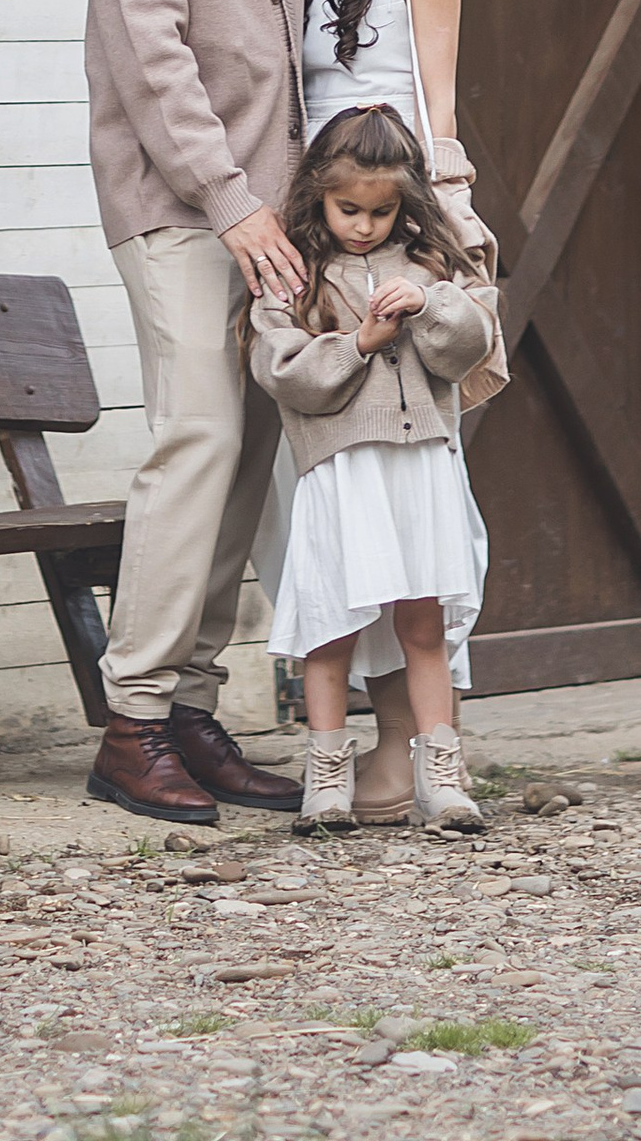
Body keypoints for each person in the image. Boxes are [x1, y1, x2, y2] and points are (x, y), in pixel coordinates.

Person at [68, 0, 312, 825]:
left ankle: (195, 709)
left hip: (273, 208)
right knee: (198, 438)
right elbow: (151, 54)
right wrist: (232, 200)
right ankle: (130, 720)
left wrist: (293, 203)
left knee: (253, 444)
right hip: (178, 202)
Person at [289, 0, 483, 819]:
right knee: (328, 482)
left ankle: (410, 745)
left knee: (409, 480)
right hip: (313, 232)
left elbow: (437, 109)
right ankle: (352, 733)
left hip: (390, 229)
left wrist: (438, 249)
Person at [251, 103, 496, 833]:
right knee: (332, 619)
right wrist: (357, 343)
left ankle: (441, 776)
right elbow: (281, 369)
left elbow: (470, 346)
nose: (363, 224)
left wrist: (428, 305)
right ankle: (325, 776)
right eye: (347, 207)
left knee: (424, 620)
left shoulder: (430, 265)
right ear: (318, 195)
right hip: (341, 469)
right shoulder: (296, 272)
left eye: (381, 210)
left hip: (421, 466)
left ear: (406, 202)